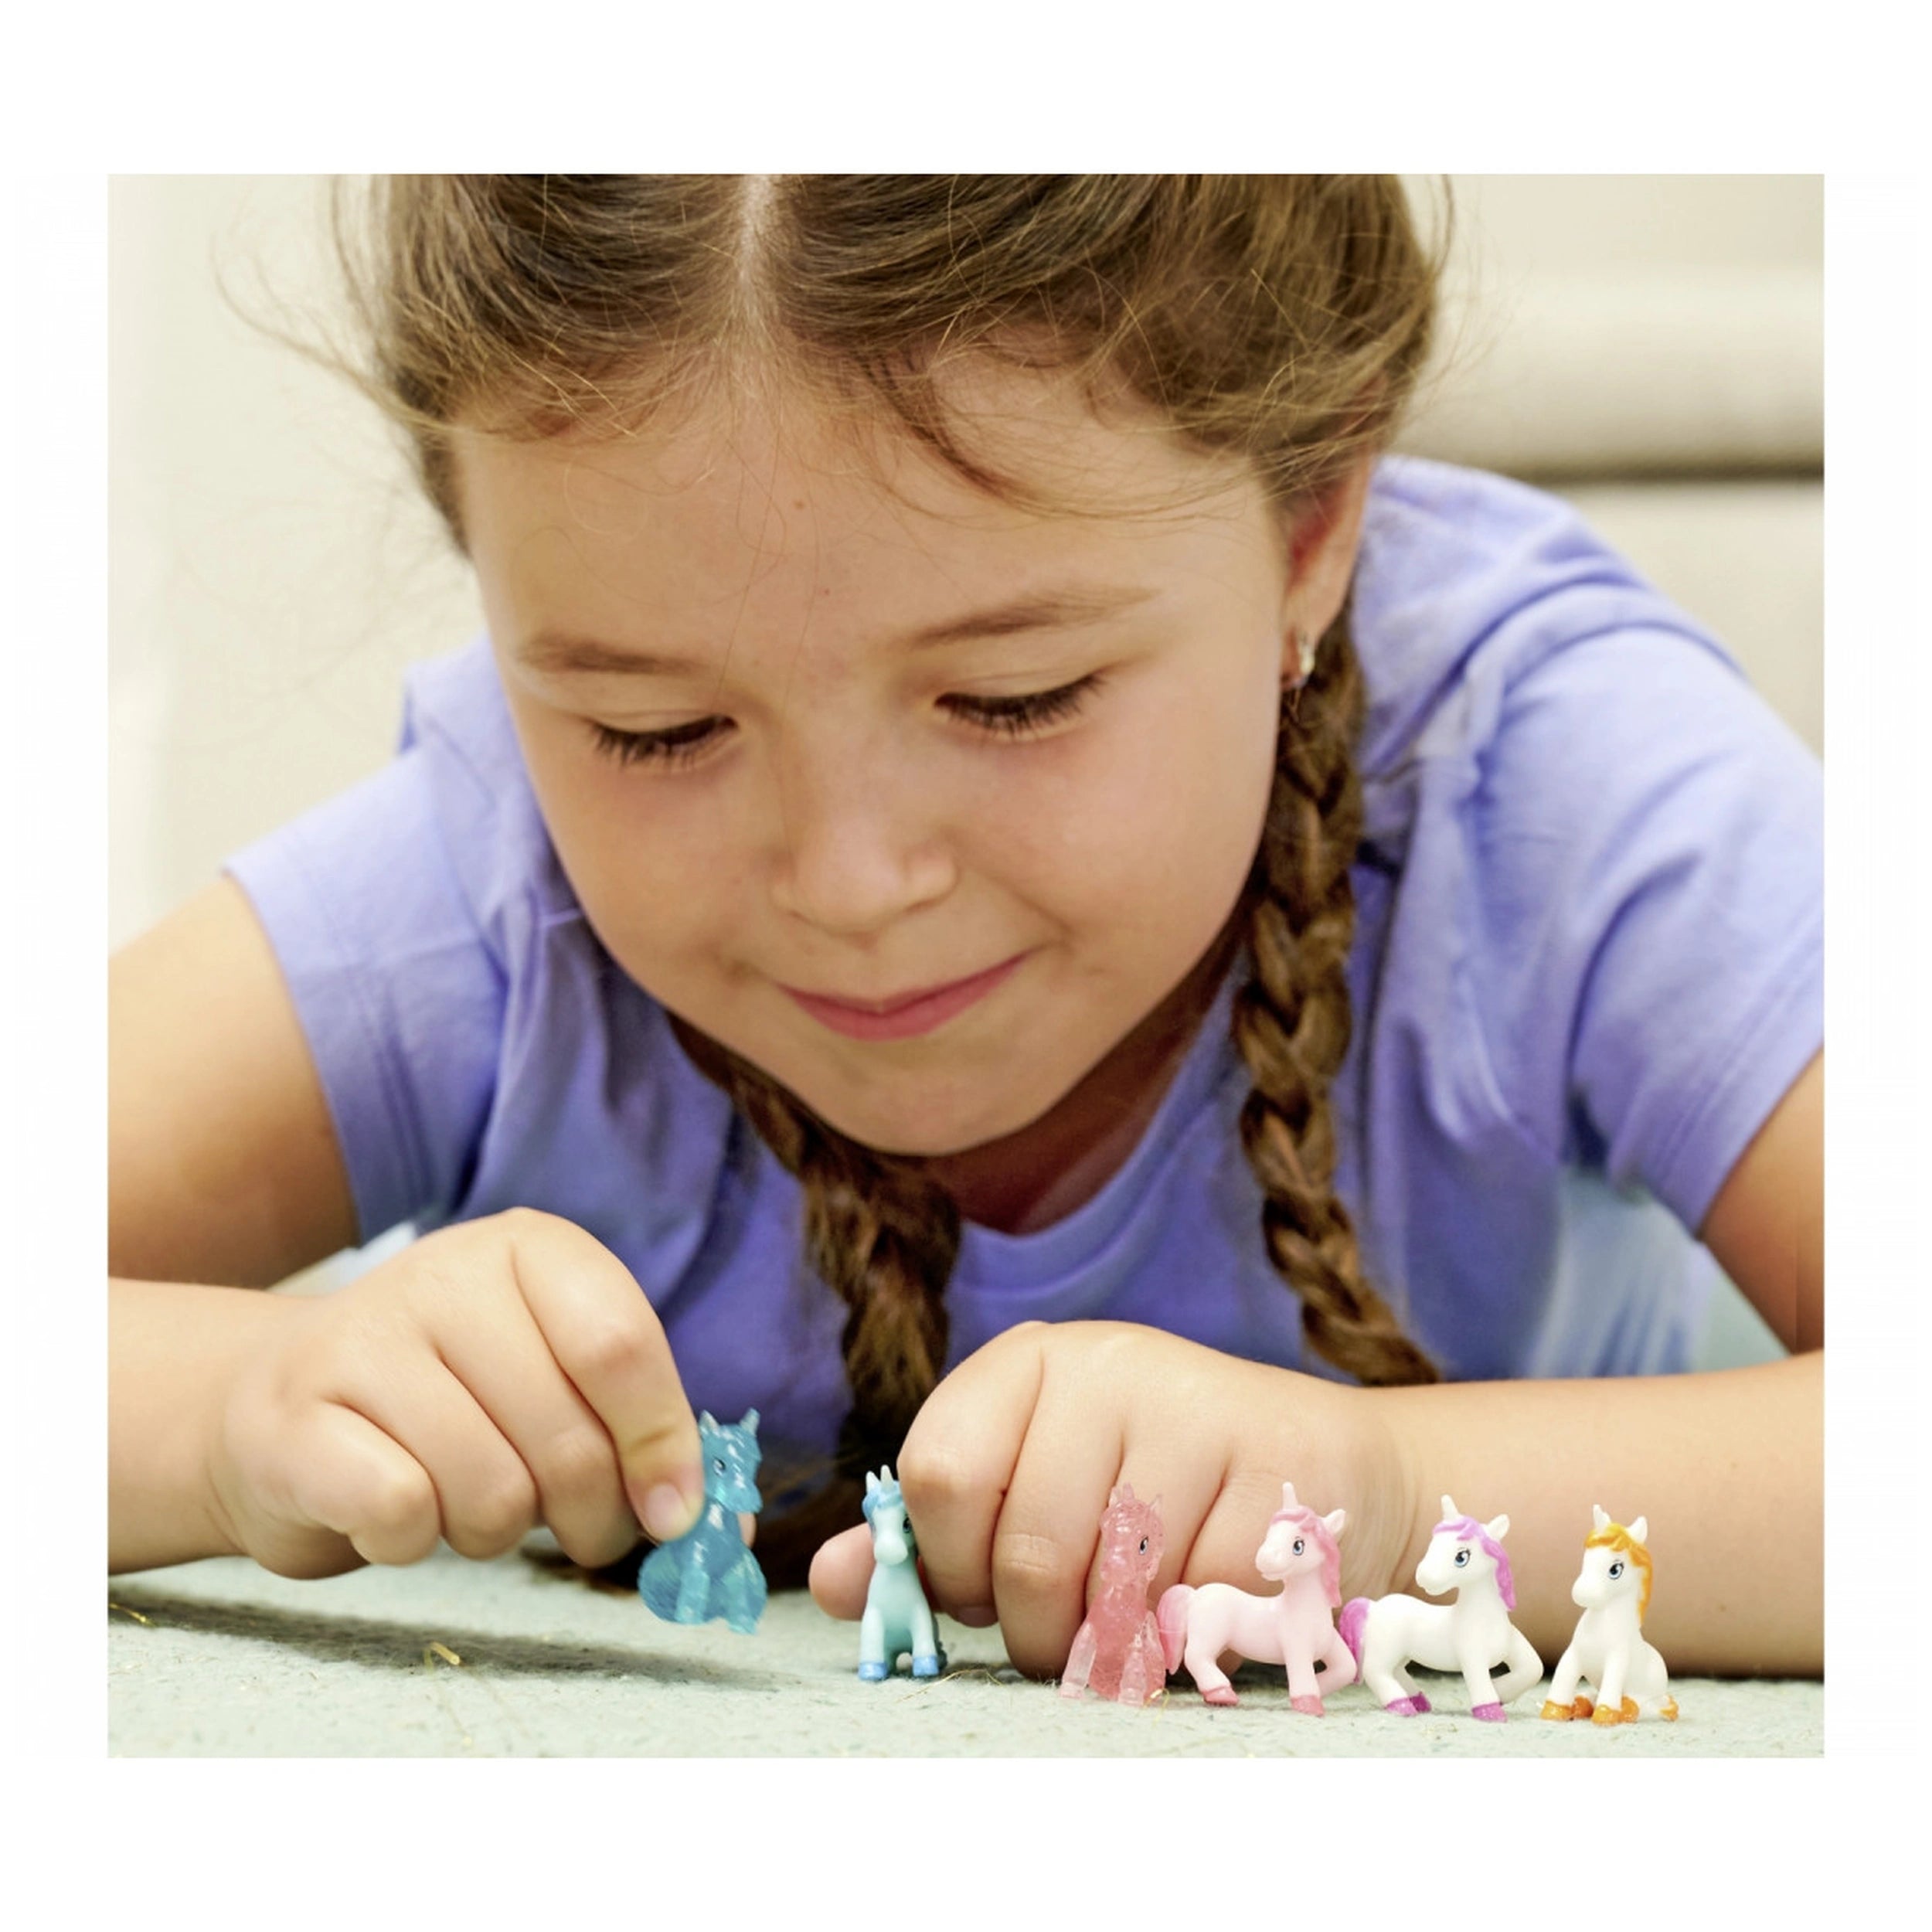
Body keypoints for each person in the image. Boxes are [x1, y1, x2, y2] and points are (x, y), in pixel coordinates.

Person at [108, 176, 1821, 1686]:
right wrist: (238, 1407)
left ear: (1311, 529)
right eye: (653, 730)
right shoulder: (485, 886)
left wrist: (1388, 1499)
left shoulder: (1565, 784)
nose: (849, 884)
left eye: (1015, 696)